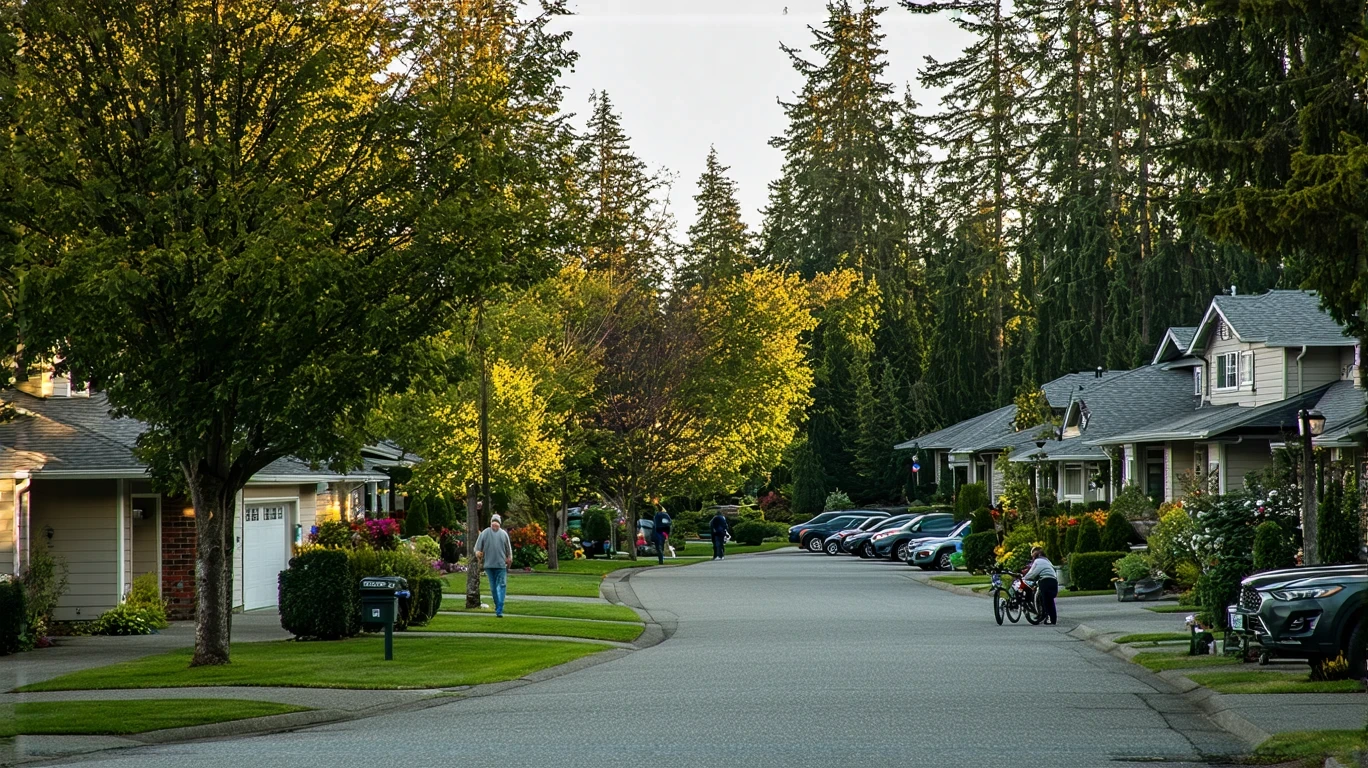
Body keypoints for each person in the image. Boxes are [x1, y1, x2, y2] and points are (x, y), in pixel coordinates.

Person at [473, 514, 513, 618]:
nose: (495, 524)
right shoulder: (485, 533)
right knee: (493, 588)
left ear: (499, 523)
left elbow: (508, 549)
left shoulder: (504, 534)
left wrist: (509, 558)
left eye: (497, 522)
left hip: (501, 565)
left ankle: (499, 608)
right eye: (493, 522)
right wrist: (478, 553)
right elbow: (477, 548)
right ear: (491, 523)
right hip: (489, 565)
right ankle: (498, 605)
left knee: (502, 585)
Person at [1022, 546, 1059, 625]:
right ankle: (1053, 619)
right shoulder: (1047, 561)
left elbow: (1033, 573)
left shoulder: (1038, 561)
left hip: (1045, 581)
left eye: (1032, 555)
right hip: (1054, 581)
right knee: (1050, 601)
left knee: (1045, 601)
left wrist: (1024, 578)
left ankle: (1046, 617)